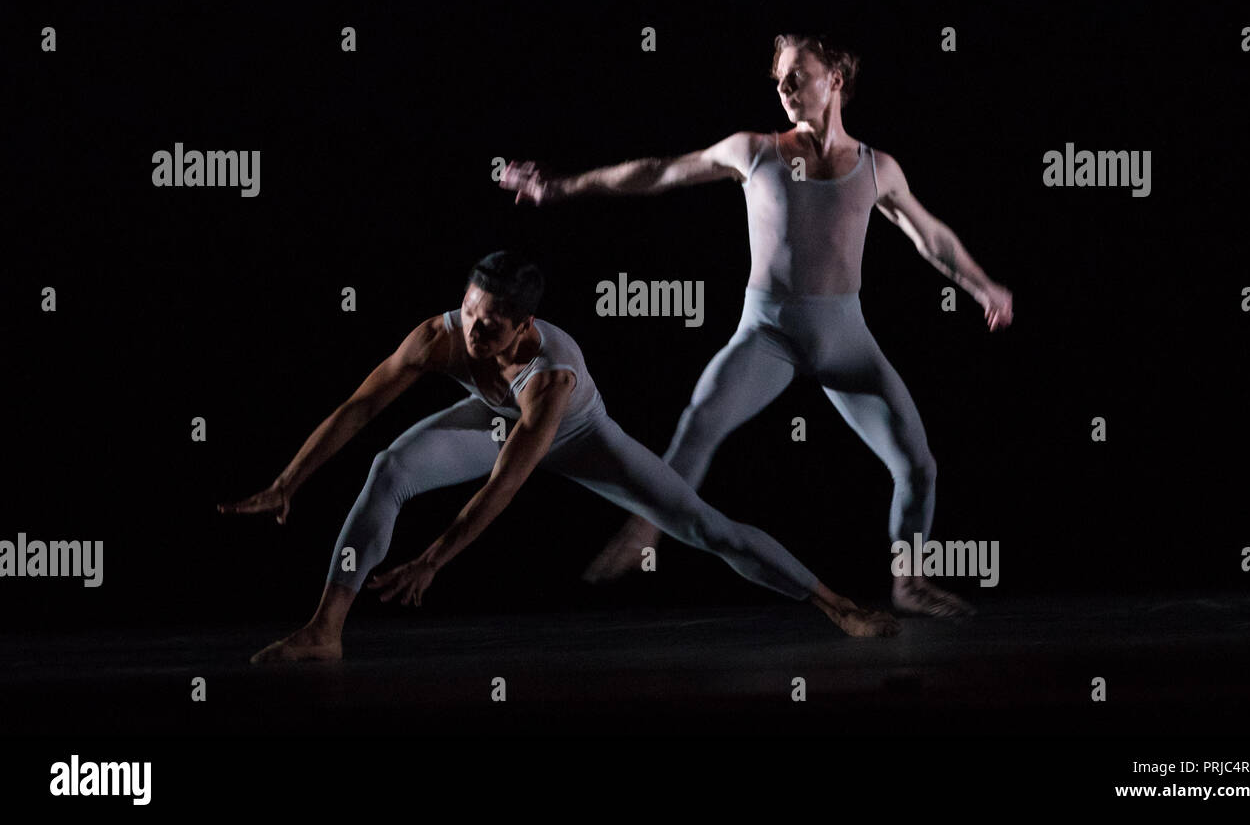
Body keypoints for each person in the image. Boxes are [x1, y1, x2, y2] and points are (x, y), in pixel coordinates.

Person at [501, 33, 1014, 617]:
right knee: (699, 424)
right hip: (765, 335)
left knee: (917, 464)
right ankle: (645, 530)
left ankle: (910, 582)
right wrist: (559, 187)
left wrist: (983, 286)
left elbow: (932, 237)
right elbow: (659, 172)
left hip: (846, 340)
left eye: (797, 74)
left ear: (835, 80)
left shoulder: (878, 168)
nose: (784, 86)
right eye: (778, 78)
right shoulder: (754, 151)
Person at [218, 251, 901, 663]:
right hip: (492, 421)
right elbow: (358, 408)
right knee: (389, 467)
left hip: (578, 438)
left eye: (491, 323)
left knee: (702, 526)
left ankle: (836, 603)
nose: (474, 330)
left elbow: (504, 484)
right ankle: (325, 629)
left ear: (526, 326)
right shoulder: (438, 336)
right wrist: (288, 481)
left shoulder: (552, 373)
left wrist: (435, 559)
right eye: (469, 311)